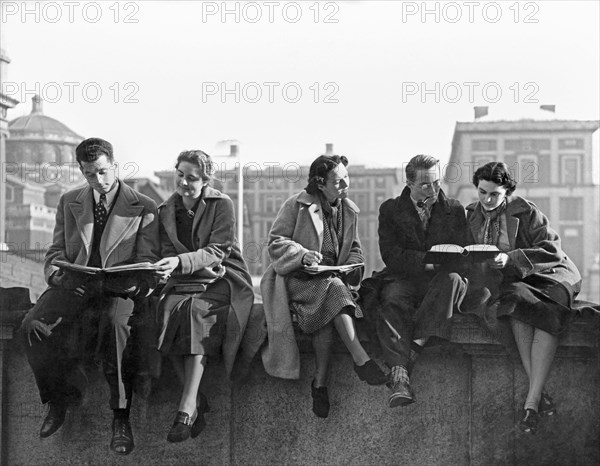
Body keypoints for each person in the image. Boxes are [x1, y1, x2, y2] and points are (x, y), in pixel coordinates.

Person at [20, 137, 161, 455]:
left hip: (117, 287)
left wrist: (134, 284)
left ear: (114, 166)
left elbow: (149, 260)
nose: (97, 181)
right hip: (76, 283)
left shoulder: (144, 207)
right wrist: (54, 273)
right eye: (88, 174)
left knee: (115, 328)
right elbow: (56, 249)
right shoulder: (69, 201)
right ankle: (59, 399)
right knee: (32, 326)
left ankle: (121, 417)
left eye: (102, 172)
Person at [261, 154, 387, 419]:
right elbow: (275, 242)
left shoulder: (349, 209)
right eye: (338, 182)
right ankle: (360, 358)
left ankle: (320, 384)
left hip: (330, 282)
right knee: (332, 289)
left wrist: (350, 266)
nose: (345, 186)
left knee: (329, 297)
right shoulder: (296, 205)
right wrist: (302, 255)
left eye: (346, 179)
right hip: (297, 279)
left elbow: (355, 249)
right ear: (320, 183)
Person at [466, 162, 581, 434]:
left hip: (551, 276)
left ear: (507, 192)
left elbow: (551, 250)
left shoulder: (525, 211)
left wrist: (511, 257)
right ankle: (537, 398)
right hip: (517, 284)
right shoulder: (470, 214)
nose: (487, 199)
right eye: (482, 192)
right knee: (515, 306)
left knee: (543, 312)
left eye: (494, 194)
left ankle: (532, 400)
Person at [153, 150, 257, 442]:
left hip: (222, 277)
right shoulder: (165, 210)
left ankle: (185, 408)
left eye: (193, 178)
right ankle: (197, 399)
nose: (185, 183)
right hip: (182, 279)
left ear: (205, 180)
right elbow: (165, 251)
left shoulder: (221, 204)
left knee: (195, 312)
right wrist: (164, 267)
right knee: (162, 313)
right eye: (181, 175)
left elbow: (217, 250)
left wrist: (179, 262)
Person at [360, 154, 469, 408]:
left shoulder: (454, 209)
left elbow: (461, 253)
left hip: (442, 281)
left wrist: (453, 259)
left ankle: (405, 362)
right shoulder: (390, 210)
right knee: (391, 298)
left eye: (436, 182)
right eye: (425, 185)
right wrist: (428, 261)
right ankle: (401, 375)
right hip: (405, 278)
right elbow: (390, 254)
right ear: (408, 184)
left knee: (452, 280)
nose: (433, 190)